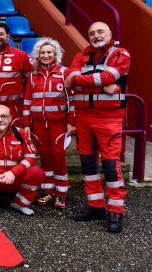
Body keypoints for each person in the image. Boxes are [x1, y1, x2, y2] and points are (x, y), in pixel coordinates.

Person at [65, 22, 130, 233]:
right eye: (91, 32)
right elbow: (70, 80)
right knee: (88, 166)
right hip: (84, 118)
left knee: (111, 166)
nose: (95, 35)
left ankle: (116, 212)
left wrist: (82, 80)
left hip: (109, 119)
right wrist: (101, 84)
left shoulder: (120, 54)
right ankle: (95, 206)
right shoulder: (80, 55)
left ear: (109, 34)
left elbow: (110, 76)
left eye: (100, 31)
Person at [22, 38, 73, 209]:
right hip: (37, 124)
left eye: (49, 52)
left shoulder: (64, 73)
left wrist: (71, 123)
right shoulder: (33, 76)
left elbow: (72, 100)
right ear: (37, 55)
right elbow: (27, 101)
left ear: (55, 54)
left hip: (59, 123)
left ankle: (61, 193)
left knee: (58, 156)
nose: (45, 55)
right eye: (42, 53)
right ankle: (48, 191)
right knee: (44, 157)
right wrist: (26, 124)